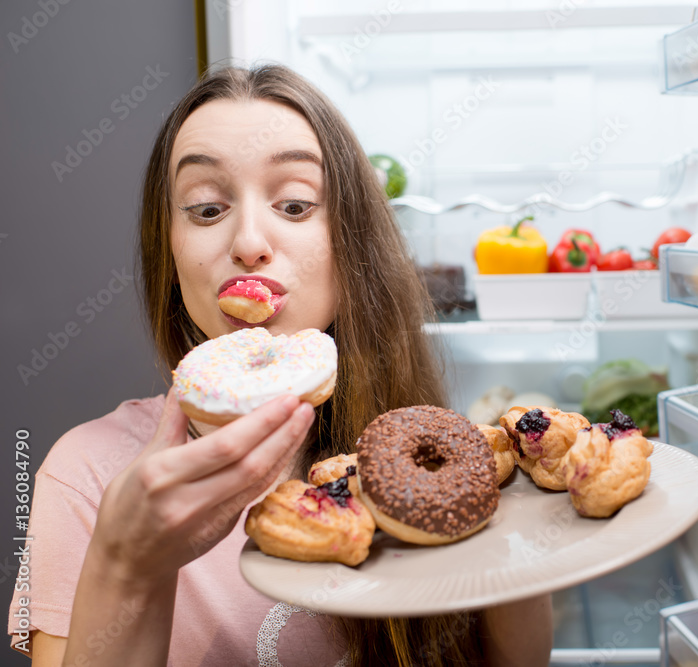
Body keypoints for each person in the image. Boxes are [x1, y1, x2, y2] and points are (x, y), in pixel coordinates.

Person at [9, 64, 553, 666]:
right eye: (206, 208)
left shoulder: (425, 461)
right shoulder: (88, 476)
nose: (248, 240)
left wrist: (523, 532)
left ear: (353, 244)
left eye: (294, 204)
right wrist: (128, 562)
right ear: (168, 248)